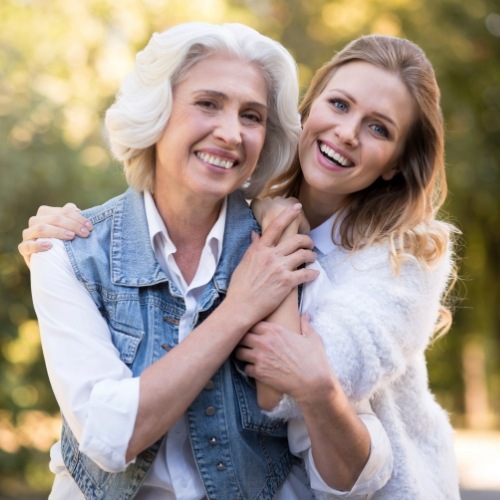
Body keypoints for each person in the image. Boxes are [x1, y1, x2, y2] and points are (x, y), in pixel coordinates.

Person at [22, 23, 393, 500]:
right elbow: (109, 437)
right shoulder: (67, 253)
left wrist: (321, 393)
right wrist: (238, 310)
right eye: (208, 103)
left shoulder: (284, 252)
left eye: (252, 116)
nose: (231, 133)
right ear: (157, 111)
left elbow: (350, 475)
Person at [235, 35, 461, 498]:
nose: (347, 132)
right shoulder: (244, 208)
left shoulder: (410, 256)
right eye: (339, 104)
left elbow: (293, 385)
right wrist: (67, 229)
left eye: (378, 128)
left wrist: (285, 231)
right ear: (308, 107)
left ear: (395, 165)